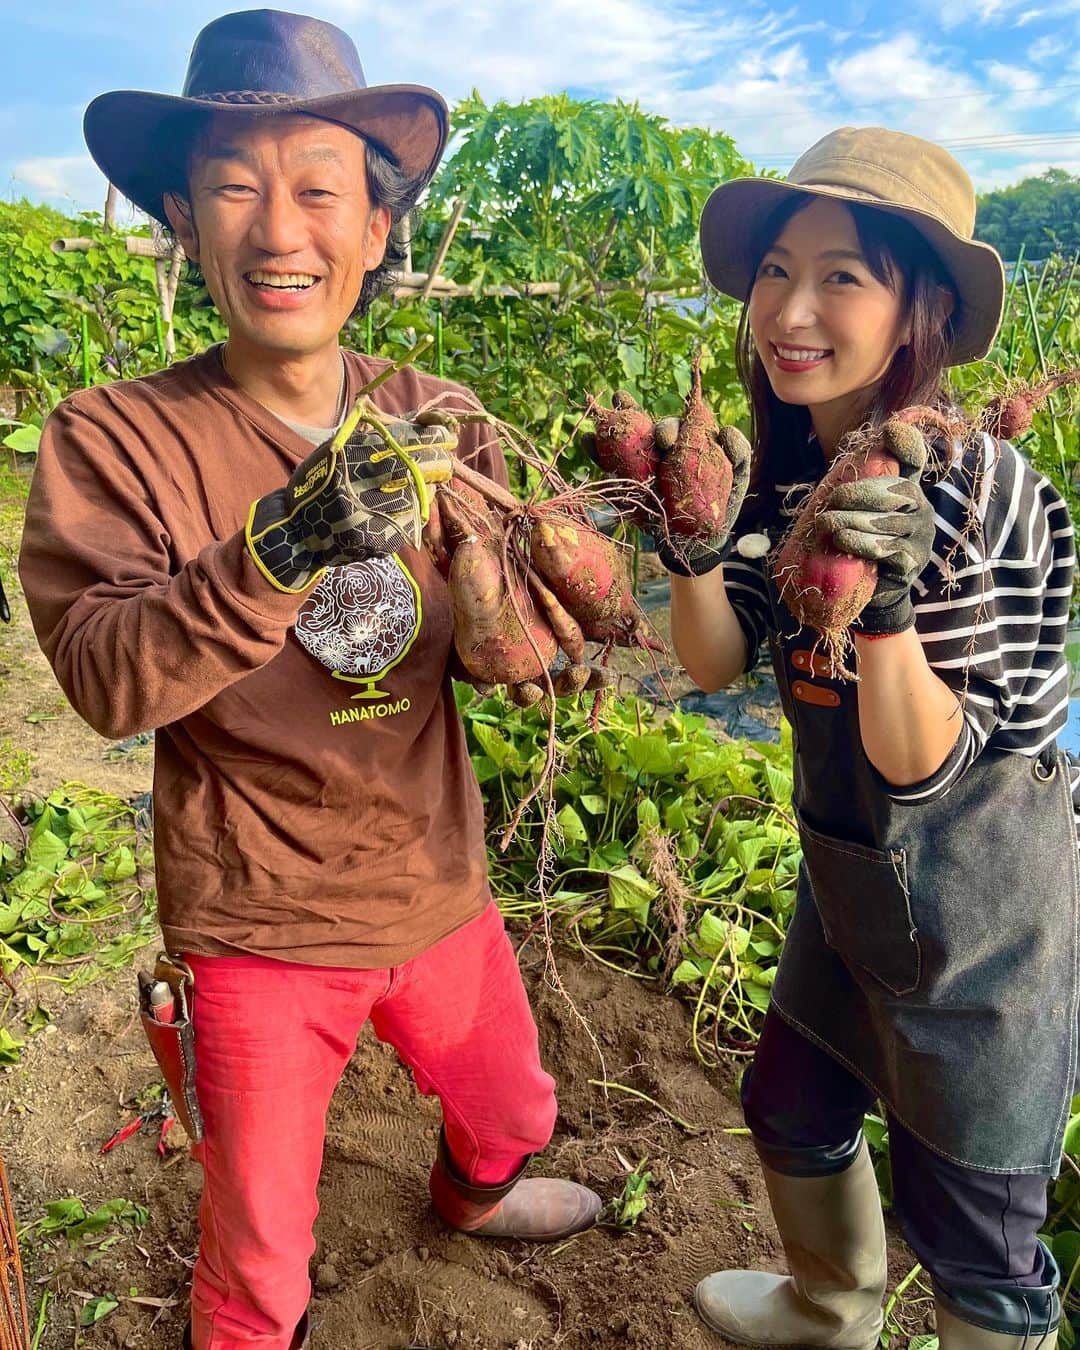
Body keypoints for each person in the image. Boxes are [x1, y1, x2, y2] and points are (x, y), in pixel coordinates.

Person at [18, 12, 599, 1349]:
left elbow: (522, 609)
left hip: (434, 881)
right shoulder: (115, 435)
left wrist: (593, 587)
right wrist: (284, 543)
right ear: (184, 215)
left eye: (320, 189)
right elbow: (108, 677)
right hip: (257, 919)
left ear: (378, 228)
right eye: (235, 187)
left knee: (515, 1112)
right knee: (261, 1268)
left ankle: (471, 1197)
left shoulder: (433, 410)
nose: (281, 228)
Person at [611, 127, 1077, 1349]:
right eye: (775, 269)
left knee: (975, 1214)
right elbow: (712, 660)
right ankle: (830, 1311)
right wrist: (695, 541)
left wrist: (893, 605)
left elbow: (928, 761)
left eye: (841, 276)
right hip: (854, 867)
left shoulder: (976, 484)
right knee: (793, 1100)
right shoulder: (794, 457)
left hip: (978, 897)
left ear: (918, 303)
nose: (790, 307)